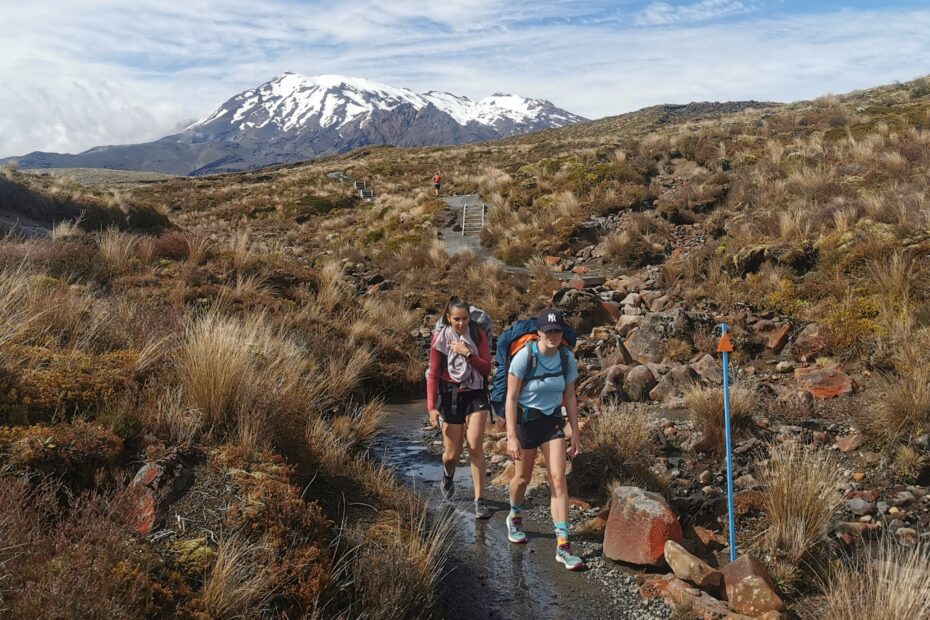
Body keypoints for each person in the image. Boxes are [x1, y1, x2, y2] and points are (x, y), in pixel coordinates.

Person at [504, 307, 585, 571]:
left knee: (558, 479)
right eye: (548, 331)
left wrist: (575, 432)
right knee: (523, 478)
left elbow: (571, 397)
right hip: (527, 421)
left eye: (557, 331)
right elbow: (511, 398)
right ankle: (514, 515)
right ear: (539, 332)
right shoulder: (524, 357)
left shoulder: (566, 358)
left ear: (562, 333)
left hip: (552, 421)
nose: (552, 335)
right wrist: (511, 436)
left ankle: (563, 545)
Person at [427, 297, 493, 518]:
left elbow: (485, 370)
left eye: (465, 318)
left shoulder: (478, 334)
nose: (461, 323)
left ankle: (479, 500)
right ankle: (448, 474)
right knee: (452, 455)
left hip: (476, 393)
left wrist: (467, 353)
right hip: (450, 394)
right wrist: (431, 407)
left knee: (475, 445)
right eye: (456, 319)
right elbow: (434, 374)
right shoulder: (440, 339)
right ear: (448, 317)